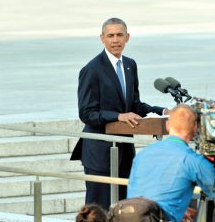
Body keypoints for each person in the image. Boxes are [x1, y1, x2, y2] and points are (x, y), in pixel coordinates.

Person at [71, 17, 169, 210]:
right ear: (102, 38)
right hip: (99, 153)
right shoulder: (92, 69)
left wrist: (162, 111)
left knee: (124, 209)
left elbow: (134, 104)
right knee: (98, 210)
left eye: (119, 35)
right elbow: (86, 113)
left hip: (124, 151)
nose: (115, 40)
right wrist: (118, 116)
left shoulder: (130, 65)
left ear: (127, 37)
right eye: (110, 36)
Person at [127, 104, 215, 222]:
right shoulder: (193, 160)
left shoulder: (144, 153)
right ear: (194, 129)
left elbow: (135, 190)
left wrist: (175, 210)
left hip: (129, 214)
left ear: (167, 125)